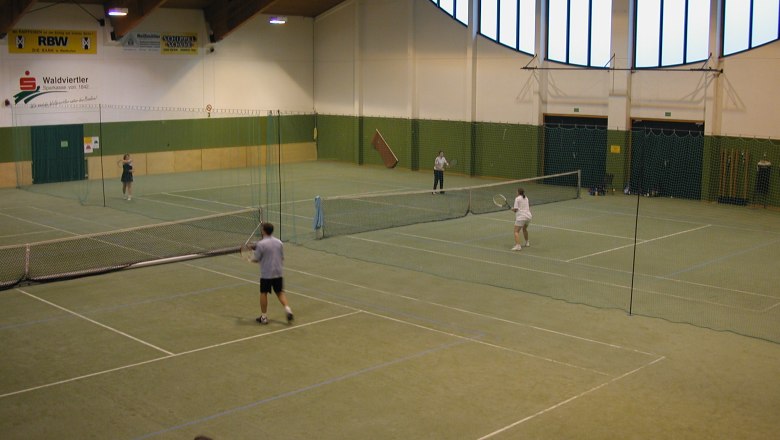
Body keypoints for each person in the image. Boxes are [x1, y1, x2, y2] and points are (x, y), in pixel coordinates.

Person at [250, 223, 294, 324]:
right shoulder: (279, 242)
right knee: (280, 292)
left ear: (264, 231)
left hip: (266, 274)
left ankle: (264, 317)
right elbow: (282, 257)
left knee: (263, 293)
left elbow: (256, 259)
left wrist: (251, 258)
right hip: (278, 272)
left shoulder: (261, 244)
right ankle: (288, 310)